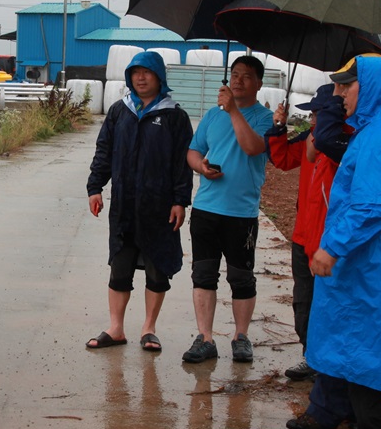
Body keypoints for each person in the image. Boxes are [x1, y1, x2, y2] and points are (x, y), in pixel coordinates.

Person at [283, 54, 381, 429]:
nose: (339, 94)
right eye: (336, 86)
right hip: (343, 238)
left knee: (366, 335)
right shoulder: (364, 124)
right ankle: (333, 410)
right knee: (340, 328)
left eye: (346, 85)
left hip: (364, 246)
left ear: (370, 86)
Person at [85, 51, 193, 352]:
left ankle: (149, 329)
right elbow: (104, 151)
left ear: (159, 77)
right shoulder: (120, 111)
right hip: (124, 205)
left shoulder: (175, 116)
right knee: (120, 267)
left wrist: (180, 200)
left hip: (159, 207)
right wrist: (95, 187)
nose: (140, 78)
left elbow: (182, 164)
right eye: (135, 72)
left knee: (158, 268)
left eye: (147, 72)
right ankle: (116, 328)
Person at [181, 55, 274, 364]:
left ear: (259, 83)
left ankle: (241, 336)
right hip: (206, 207)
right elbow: (194, 151)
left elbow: (253, 147)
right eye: (235, 74)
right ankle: (205, 338)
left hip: (241, 212)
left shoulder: (265, 118)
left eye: (246, 76)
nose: (238, 80)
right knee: (203, 274)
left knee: (241, 277)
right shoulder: (212, 115)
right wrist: (201, 167)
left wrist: (233, 110)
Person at [264, 84, 348, 379]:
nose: (312, 120)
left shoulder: (345, 144)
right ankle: (310, 355)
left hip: (329, 241)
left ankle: (328, 364)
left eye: (316, 114)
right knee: (304, 300)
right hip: (303, 236)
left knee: (330, 302)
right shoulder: (311, 137)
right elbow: (283, 159)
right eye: (312, 115)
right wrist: (278, 127)